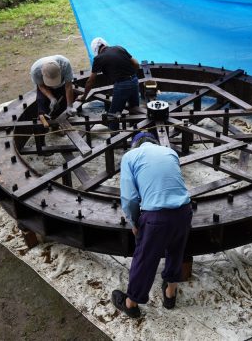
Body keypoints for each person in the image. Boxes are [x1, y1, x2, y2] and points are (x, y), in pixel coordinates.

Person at [111, 132, 192, 318]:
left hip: (156, 218)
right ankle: (170, 295)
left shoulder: (130, 157)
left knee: (145, 259)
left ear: (135, 145)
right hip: (184, 211)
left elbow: (129, 198)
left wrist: (134, 221)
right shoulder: (170, 152)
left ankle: (130, 304)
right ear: (154, 142)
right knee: (176, 251)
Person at [82, 37, 139, 130]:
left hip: (121, 85)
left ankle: (115, 139)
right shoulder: (119, 48)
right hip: (134, 81)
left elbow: (90, 81)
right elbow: (136, 63)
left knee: (112, 116)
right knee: (135, 110)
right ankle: (137, 134)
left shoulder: (98, 58)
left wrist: (84, 96)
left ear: (96, 50)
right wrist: (131, 76)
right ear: (105, 44)